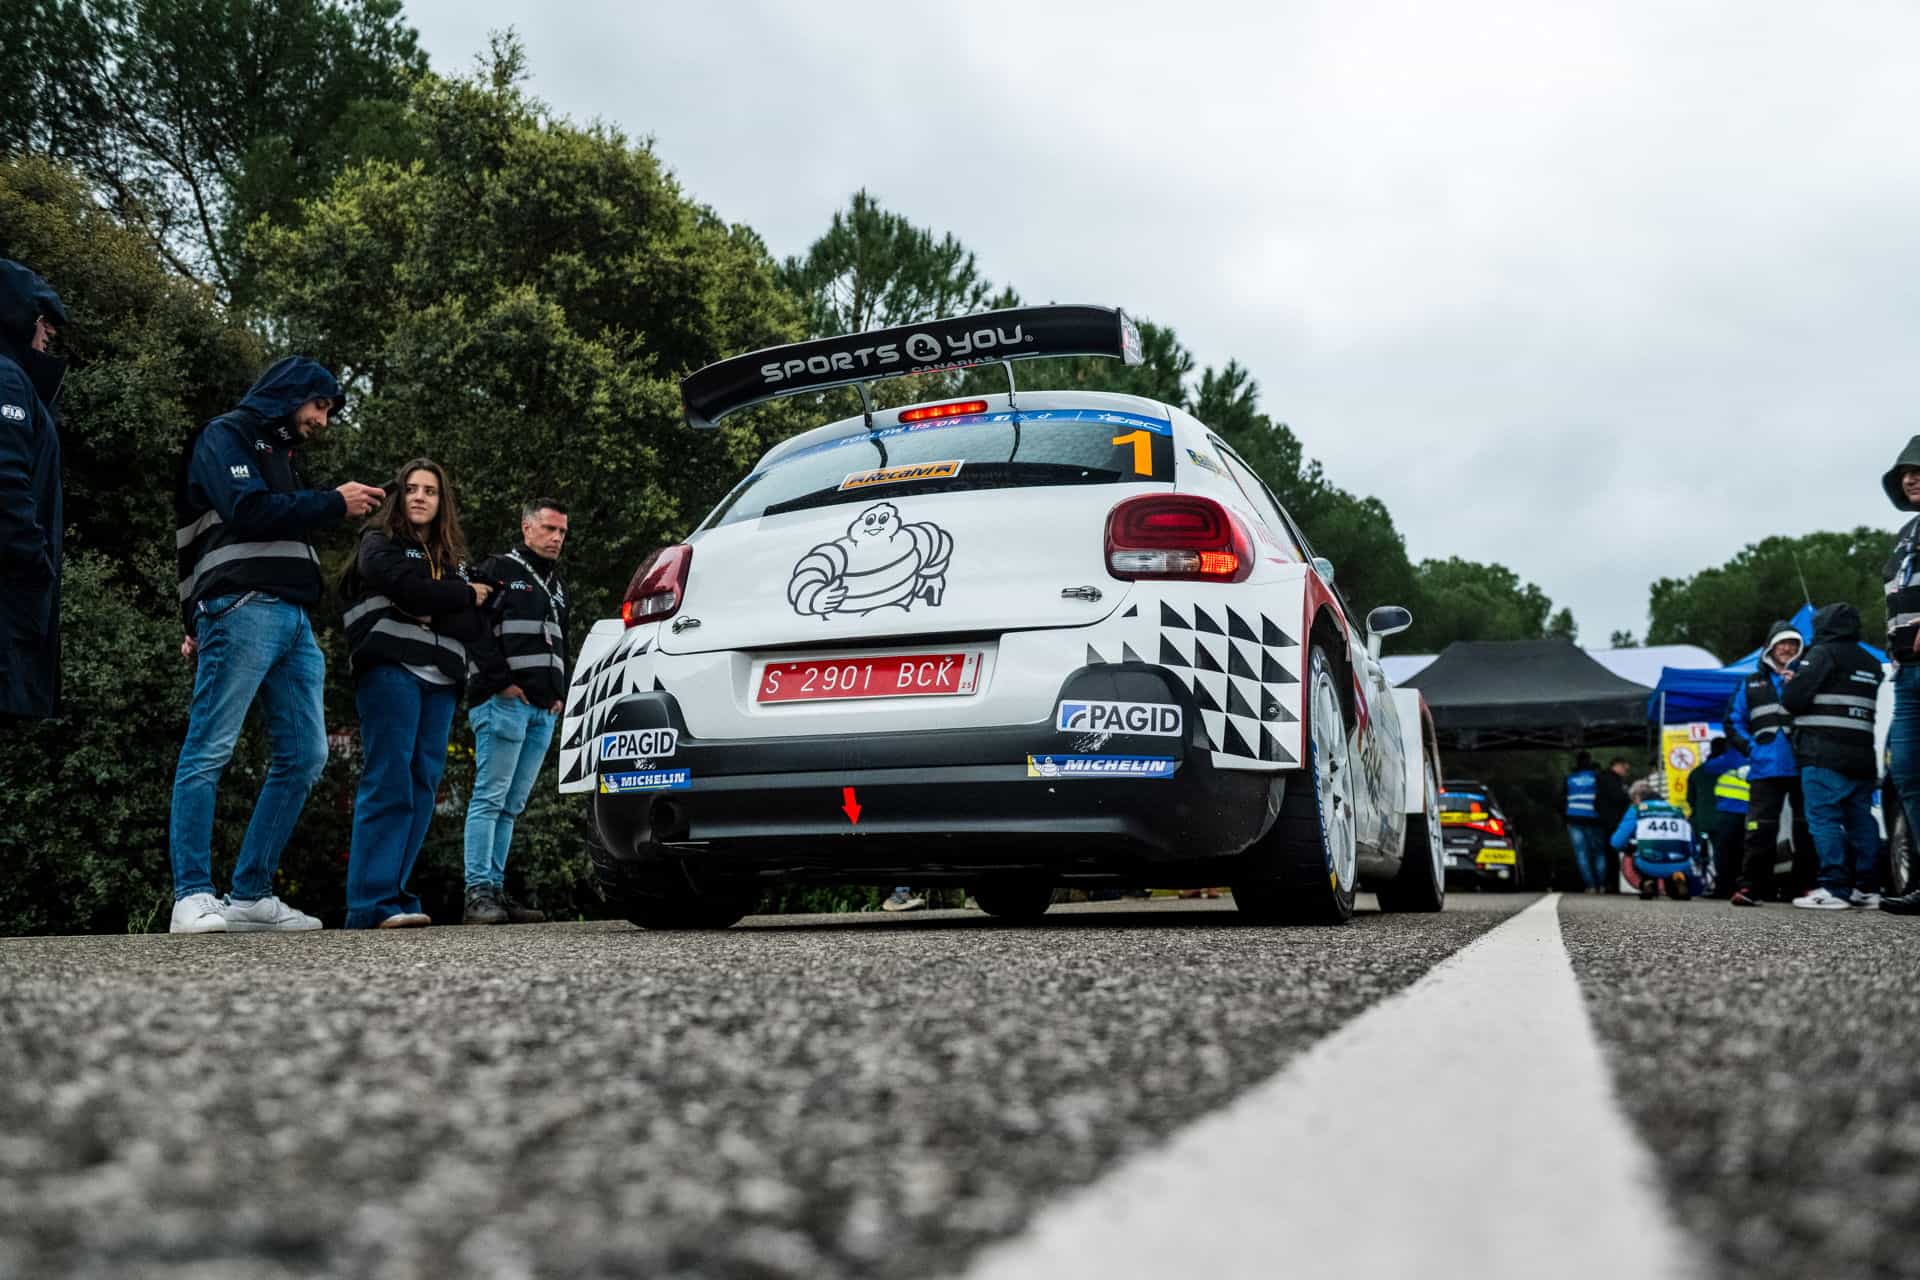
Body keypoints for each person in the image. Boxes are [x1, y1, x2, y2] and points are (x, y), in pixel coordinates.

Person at [169, 358, 385, 934]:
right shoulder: (225, 435)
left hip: (293, 622)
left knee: (306, 756)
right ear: (292, 395)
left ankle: (251, 897)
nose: (323, 420)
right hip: (240, 609)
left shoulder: (280, 454)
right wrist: (333, 502)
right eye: (320, 406)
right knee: (209, 750)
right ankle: (191, 894)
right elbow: (245, 510)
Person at [340, 459, 491, 929]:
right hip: (392, 669)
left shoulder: (452, 560)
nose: (421, 496)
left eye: (430, 490)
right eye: (411, 488)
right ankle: (370, 904)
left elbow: (470, 621)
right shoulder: (378, 542)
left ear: (442, 501)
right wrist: (460, 595)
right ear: (398, 496)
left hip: (442, 679)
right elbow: (406, 588)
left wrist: (436, 601)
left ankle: (397, 895)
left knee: (424, 786)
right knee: (389, 781)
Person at [461, 499, 572, 926]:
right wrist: (501, 681)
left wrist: (559, 693)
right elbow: (472, 627)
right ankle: (477, 893)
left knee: (511, 804)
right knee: (489, 798)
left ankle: (495, 888)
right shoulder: (498, 569)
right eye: (548, 529)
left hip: (543, 710)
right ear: (527, 528)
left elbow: (561, 638)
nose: (556, 538)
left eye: (562, 532)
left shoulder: (557, 582)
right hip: (504, 702)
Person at [1780, 602, 1884, 910]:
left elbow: (1793, 700)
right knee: (1861, 821)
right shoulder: (1871, 661)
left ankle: (1835, 888)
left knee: (1824, 819)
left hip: (1823, 753)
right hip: (1863, 755)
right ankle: (1867, 889)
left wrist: (1793, 679)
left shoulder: (1822, 654)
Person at [0, 260, 68, 721]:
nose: (48, 334)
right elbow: (5, 482)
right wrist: (36, 561)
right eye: (43, 320)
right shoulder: (6, 377)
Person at [1727, 622, 1812, 907]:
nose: (1787, 648)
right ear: (1771, 648)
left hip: (1803, 764)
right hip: (1765, 767)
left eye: (1793, 644)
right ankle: (1751, 888)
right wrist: (1751, 748)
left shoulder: (1808, 675)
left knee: (1807, 828)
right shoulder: (1750, 682)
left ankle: (1804, 888)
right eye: (1782, 643)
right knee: (1759, 829)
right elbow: (1733, 721)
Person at [1882, 438, 1920, 916]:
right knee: (1907, 773)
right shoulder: (1906, 534)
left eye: (1918, 470)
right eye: (1903, 474)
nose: (1909, 478)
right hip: (1907, 674)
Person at [1611, 780, 1697, 900]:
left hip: (1648, 863)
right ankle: (1678, 878)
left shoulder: (1637, 809)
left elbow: (1616, 842)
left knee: (1640, 850)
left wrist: (1628, 848)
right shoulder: (1676, 810)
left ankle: (1648, 882)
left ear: (1637, 797)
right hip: (1681, 862)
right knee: (1671, 862)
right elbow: (1691, 840)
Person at [1685, 738, 1744, 896]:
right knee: (1737, 851)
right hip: (1735, 815)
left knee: (1719, 853)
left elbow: (1690, 799)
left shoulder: (1697, 772)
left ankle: (1723, 886)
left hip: (1707, 820)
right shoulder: (1734, 768)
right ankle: (1736, 886)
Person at [1555, 751, 1608, 892]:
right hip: (1594, 818)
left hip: (1574, 818)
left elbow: (1561, 800)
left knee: (1581, 853)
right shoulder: (1597, 777)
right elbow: (1604, 797)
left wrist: (1564, 817)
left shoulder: (1569, 778)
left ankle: (1590, 886)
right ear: (1590, 762)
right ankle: (1601, 886)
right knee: (1599, 852)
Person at [1592, 756, 1632, 892]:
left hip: (1605, 820)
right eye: (1625, 769)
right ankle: (1612, 884)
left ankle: (1607, 884)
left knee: (1606, 853)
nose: (1626, 773)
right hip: (1614, 821)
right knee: (1613, 852)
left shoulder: (1602, 779)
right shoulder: (1612, 780)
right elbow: (1619, 797)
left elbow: (1596, 802)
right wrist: (1628, 798)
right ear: (1618, 766)